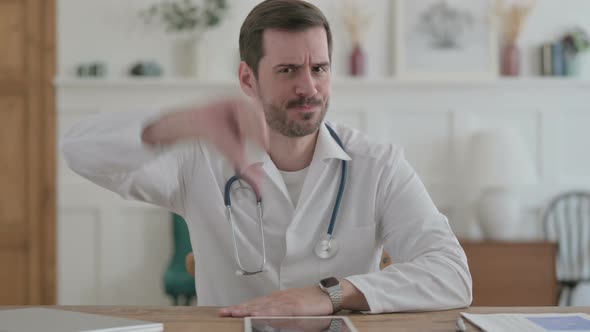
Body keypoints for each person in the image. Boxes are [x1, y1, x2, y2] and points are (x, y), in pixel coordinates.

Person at [61, 0, 472, 317]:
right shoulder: (199, 159)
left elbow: (451, 274)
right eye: (288, 70)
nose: (308, 87)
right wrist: (180, 123)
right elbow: (79, 151)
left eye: (320, 68)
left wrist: (329, 295)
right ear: (247, 79)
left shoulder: (376, 164)